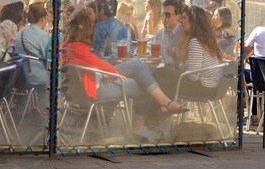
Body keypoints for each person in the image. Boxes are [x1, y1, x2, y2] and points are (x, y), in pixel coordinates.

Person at [62, 8, 187, 139]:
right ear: (84, 28)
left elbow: (100, 67)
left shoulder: (68, 46)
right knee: (144, 85)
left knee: (137, 65)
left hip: (81, 88)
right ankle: (141, 126)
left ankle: (163, 105)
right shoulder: (78, 49)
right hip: (94, 90)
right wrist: (119, 76)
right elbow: (105, 69)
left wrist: (114, 74)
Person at [176, 6, 225, 96]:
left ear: (194, 21)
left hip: (204, 89)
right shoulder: (206, 40)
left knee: (160, 73)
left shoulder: (196, 42)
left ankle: (166, 107)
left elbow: (193, 76)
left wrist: (178, 72)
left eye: (184, 18)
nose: (180, 21)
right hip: (215, 87)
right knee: (169, 71)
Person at [12, 0, 52, 91]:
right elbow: (50, 57)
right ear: (43, 19)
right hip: (37, 77)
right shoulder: (43, 36)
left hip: (19, 78)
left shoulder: (20, 33)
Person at [156, 0, 187, 68]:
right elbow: (155, 57)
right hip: (161, 70)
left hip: (177, 74)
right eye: (162, 14)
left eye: (167, 15)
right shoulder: (159, 34)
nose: (164, 18)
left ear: (178, 17)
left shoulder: (183, 33)